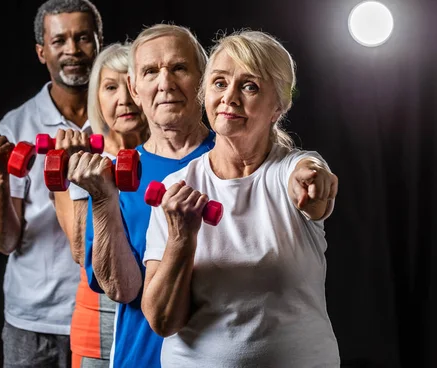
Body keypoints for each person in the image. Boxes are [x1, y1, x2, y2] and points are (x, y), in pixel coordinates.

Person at [141, 30, 341, 367]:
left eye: (250, 87)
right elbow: (162, 321)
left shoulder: (289, 170)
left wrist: (311, 181)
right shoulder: (178, 187)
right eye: (219, 83)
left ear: (279, 105)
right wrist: (181, 237)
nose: (229, 98)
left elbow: (309, 174)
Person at [64, 23, 214, 368]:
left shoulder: (236, 160)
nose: (165, 84)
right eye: (150, 72)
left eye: (179, 68)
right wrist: (103, 202)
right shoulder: (111, 177)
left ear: (202, 78)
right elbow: (121, 290)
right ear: (135, 87)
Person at [0, 0, 103, 367]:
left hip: (106, 310)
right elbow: (5, 240)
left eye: (83, 38)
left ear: (98, 43)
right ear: (41, 52)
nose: (73, 50)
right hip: (35, 320)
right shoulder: (17, 127)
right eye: (59, 40)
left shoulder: (122, 119)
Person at [51, 42, 149, 367]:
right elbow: (81, 252)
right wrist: (83, 180)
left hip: (163, 318)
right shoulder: (72, 157)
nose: (124, 99)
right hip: (99, 323)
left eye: (132, 84)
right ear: (97, 98)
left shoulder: (174, 154)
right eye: (110, 87)